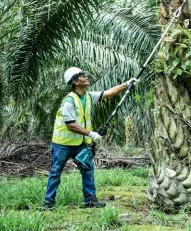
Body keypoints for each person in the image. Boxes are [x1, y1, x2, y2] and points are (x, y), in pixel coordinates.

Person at [43, 67, 138, 209]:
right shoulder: (69, 101)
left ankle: (90, 200)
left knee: (88, 169)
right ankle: (48, 203)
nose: (86, 77)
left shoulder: (87, 96)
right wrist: (91, 133)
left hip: (80, 143)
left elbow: (108, 93)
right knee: (56, 172)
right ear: (75, 81)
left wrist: (126, 84)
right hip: (62, 144)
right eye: (82, 76)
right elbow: (70, 125)